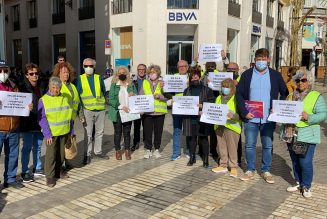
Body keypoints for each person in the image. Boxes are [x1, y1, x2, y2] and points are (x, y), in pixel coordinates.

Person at [236, 48, 288, 183]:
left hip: (267, 119)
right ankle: (250, 169)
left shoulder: (275, 75)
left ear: (268, 60)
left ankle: (266, 170)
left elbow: (284, 92)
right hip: (250, 117)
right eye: (258, 59)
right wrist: (243, 112)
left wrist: (277, 108)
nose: (261, 62)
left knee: (268, 145)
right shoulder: (247, 75)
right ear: (255, 60)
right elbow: (239, 94)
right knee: (249, 145)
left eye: (263, 59)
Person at [283, 70, 327, 198]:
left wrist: (309, 117)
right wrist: (276, 111)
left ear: (309, 82)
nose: (300, 83)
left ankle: (306, 185)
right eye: (298, 80)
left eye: (303, 80)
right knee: (295, 160)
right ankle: (298, 182)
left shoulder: (316, 96)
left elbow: (323, 115)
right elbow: (284, 112)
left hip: (306, 134)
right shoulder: (290, 96)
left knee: (305, 162)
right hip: (290, 133)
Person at [0, 60, 32, 189]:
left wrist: (27, 106)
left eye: (5, 70)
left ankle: (10, 179)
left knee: (13, 154)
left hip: (13, 128)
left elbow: (19, 103)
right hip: (0, 128)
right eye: (0, 71)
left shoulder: (14, 86)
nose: (3, 73)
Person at [38, 77, 73, 187]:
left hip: (64, 131)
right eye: (53, 87)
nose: (55, 90)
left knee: (61, 154)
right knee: (51, 155)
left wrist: (71, 131)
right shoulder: (43, 100)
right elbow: (42, 118)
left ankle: (58, 171)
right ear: (49, 87)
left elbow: (69, 115)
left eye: (58, 88)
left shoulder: (65, 98)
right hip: (51, 134)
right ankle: (50, 177)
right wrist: (47, 134)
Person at [77, 58, 108, 165]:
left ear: (94, 67)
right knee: (88, 134)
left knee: (100, 132)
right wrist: (80, 113)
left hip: (100, 110)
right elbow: (78, 97)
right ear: (83, 67)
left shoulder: (99, 78)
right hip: (87, 110)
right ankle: (87, 154)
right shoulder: (80, 79)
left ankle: (98, 152)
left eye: (90, 66)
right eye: (86, 66)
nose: (88, 68)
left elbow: (103, 91)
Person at [183, 68, 215, 168]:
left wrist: (203, 106)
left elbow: (212, 102)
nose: (194, 77)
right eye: (192, 76)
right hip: (190, 118)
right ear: (190, 78)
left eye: (196, 75)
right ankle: (192, 157)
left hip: (203, 119)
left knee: (204, 139)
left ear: (200, 76)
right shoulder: (186, 90)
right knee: (192, 139)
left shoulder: (207, 89)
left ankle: (205, 159)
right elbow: (183, 103)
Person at [20, 63, 46, 183]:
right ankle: (24, 172)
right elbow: (17, 105)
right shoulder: (22, 88)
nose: (35, 75)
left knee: (38, 147)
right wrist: (25, 107)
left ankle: (38, 168)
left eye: (36, 73)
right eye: (31, 74)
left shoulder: (41, 86)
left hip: (39, 122)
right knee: (26, 148)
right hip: (27, 123)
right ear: (26, 75)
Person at [211, 78, 241, 177]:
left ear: (232, 88)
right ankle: (223, 164)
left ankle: (233, 167)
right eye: (223, 86)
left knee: (232, 148)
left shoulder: (236, 98)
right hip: (219, 126)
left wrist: (233, 116)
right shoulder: (219, 98)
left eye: (227, 86)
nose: (225, 88)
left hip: (232, 127)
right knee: (221, 147)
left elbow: (241, 115)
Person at [139, 64, 167, 159]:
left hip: (159, 112)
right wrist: (140, 109)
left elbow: (168, 96)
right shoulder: (145, 82)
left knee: (158, 132)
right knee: (147, 132)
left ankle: (157, 149)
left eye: (154, 72)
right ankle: (148, 149)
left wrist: (160, 96)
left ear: (158, 73)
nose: (152, 74)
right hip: (147, 113)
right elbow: (141, 96)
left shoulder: (162, 83)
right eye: (150, 72)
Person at [108, 66, 137, 160]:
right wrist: (121, 107)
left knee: (127, 132)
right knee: (118, 133)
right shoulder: (114, 84)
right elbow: (111, 99)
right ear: (117, 74)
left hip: (128, 112)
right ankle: (118, 151)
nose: (122, 74)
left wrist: (134, 95)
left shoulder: (131, 84)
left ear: (127, 74)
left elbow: (136, 97)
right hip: (118, 112)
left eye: (124, 73)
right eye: (120, 73)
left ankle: (127, 151)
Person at [169, 60, 191, 161]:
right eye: (180, 66)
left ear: (187, 67)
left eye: (184, 66)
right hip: (177, 108)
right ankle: (176, 153)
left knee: (188, 131)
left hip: (189, 108)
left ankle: (189, 151)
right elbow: (167, 92)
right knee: (177, 131)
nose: (182, 68)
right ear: (177, 68)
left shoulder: (191, 77)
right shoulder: (174, 77)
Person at [226, 62, 242, 165]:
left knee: (237, 138)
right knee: (226, 137)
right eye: (229, 69)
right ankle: (225, 158)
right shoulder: (225, 80)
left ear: (237, 69)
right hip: (225, 114)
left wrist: (238, 85)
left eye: (233, 69)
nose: (231, 71)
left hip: (237, 113)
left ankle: (237, 159)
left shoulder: (242, 79)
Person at [131, 64, 147, 151]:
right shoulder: (132, 81)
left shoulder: (148, 80)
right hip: (136, 107)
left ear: (145, 71)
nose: (141, 71)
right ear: (137, 70)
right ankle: (135, 143)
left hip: (146, 107)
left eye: (143, 69)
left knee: (146, 127)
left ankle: (146, 143)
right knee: (136, 127)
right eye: (139, 69)